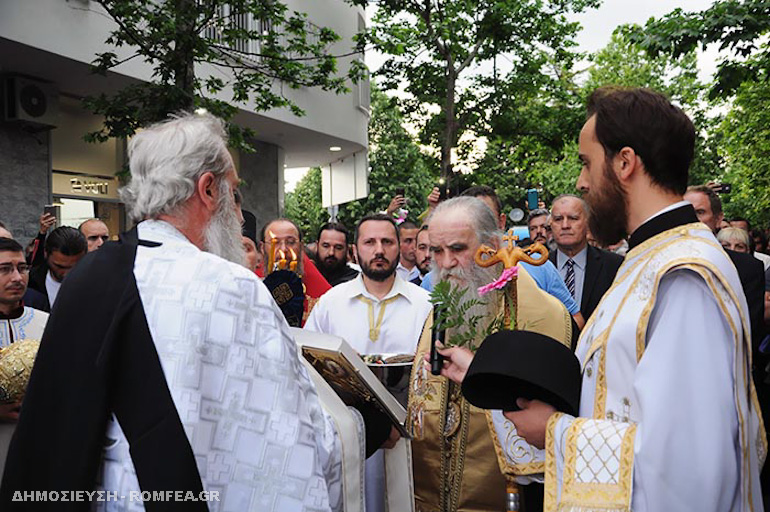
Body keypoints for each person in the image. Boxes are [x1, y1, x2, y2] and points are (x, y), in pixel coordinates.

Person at [0, 113, 388, 511]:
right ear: (207, 189)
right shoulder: (228, 287)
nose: (238, 217)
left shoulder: (88, 275)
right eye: (233, 194)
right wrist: (367, 425)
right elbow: (287, 449)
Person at [496, 87, 764, 511]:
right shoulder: (650, 261)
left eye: (587, 163)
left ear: (624, 162)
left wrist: (555, 431)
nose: (582, 182)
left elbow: (689, 467)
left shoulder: (684, 275)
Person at [408, 196, 573, 512]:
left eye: (457, 249)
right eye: (436, 251)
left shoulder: (542, 316)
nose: (444, 263)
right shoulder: (441, 307)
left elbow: (545, 432)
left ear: (494, 245)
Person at [306, 213, 431, 512]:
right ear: (355, 250)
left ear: (400, 248)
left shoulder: (425, 304)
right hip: (350, 439)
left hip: (411, 441)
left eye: (387, 242)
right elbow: (309, 368)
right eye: (370, 242)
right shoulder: (330, 303)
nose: (379, 250)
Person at [0, 237, 49, 483]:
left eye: (22, 268)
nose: (18, 278)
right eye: (5, 269)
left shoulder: (48, 323)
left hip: (41, 457)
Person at [548, 194, 623, 329]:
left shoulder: (615, 266)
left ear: (588, 223)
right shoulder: (538, 267)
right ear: (550, 225)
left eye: (573, 218)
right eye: (558, 219)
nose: (565, 225)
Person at [259, 218, 332, 323]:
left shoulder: (322, 300)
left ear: (301, 247)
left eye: (291, 242)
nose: (283, 249)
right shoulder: (253, 289)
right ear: (262, 248)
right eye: (275, 242)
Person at [27, 225, 87, 311]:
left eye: (75, 267)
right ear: (46, 253)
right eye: (59, 266)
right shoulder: (30, 283)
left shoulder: (98, 283)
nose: (66, 273)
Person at [315, 222, 359, 286]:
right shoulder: (306, 277)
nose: (331, 253)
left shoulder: (356, 281)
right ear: (317, 245)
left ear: (347, 249)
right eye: (326, 246)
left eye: (338, 248)